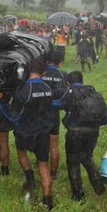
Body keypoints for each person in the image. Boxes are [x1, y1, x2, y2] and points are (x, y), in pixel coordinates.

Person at [53, 71, 107, 201]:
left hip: (75, 133)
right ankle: (99, 188)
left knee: (73, 161)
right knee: (87, 158)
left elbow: (57, 104)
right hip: (93, 133)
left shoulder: (70, 93)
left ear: (68, 83)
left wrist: (43, 101)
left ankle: (78, 195)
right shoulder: (95, 94)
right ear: (82, 80)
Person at [0, 56, 55, 210]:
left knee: (21, 152)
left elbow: (13, 115)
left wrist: (1, 103)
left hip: (25, 132)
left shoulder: (22, 90)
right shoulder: (48, 89)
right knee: (43, 164)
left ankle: (30, 178)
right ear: (43, 72)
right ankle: (47, 199)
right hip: (42, 133)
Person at [41, 49, 67, 180]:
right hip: (53, 113)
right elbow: (65, 96)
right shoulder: (62, 75)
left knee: (41, 142)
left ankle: (42, 167)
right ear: (60, 62)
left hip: (40, 112)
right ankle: (53, 173)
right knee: (54, 144)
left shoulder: (40, 72)